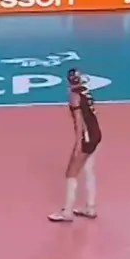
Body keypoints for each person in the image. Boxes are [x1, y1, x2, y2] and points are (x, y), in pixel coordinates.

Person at [48, 69, 100, 223]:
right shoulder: (86, 92)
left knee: (71, 173)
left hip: (86, 137)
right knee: (88, 169)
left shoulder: (74, 97)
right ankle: (90, 207)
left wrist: (78, 144)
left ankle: (67, 212)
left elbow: (79, 121)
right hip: (96, 134)